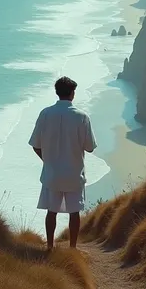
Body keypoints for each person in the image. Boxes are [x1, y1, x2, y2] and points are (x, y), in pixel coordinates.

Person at [28, 76, 97, 250]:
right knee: (74, 213)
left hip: (52, 174)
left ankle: (50, 247)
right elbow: (90, 147)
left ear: (57, 92)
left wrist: (48, 160)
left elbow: (35, 145)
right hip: (74, 173)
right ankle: (72, 248)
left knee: (51, 212)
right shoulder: (82, 117)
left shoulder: (45, 114)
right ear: (73, 94)